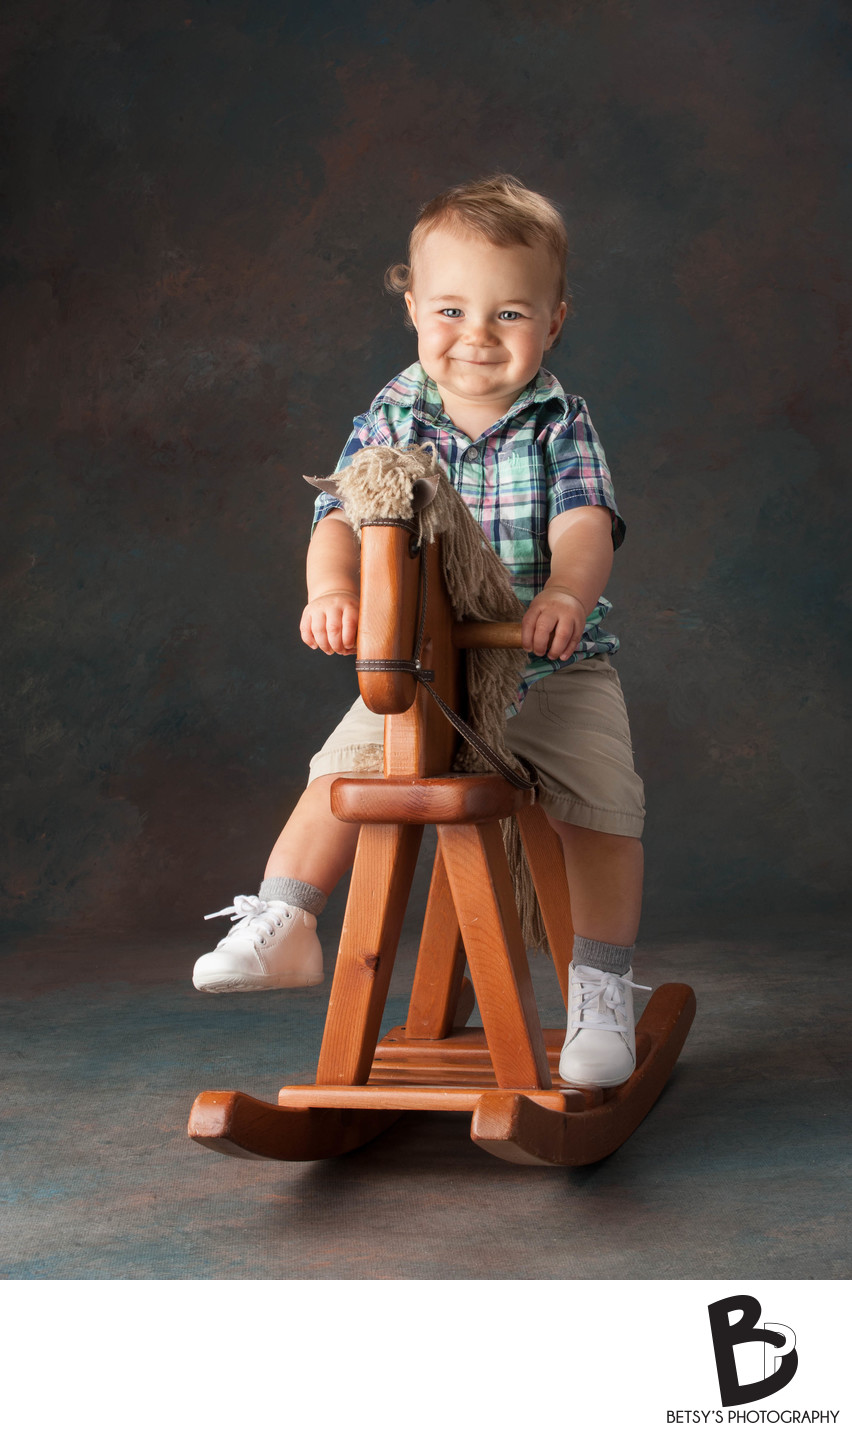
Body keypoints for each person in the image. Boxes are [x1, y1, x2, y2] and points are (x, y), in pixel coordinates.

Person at [192, 175, 648, 1089]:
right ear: (411, 307)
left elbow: (585, 524)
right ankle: (287, 920)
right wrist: (333, 590)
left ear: (553, 322)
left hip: (551, 665)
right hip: (428, 672)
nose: (476, 335)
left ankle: (601, 987)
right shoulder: (396, 413)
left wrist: (562, 594)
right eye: (450, 308)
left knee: (603, 810)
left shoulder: (560, 419)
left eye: (509, 312)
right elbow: (342, 518)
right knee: (337, 774)